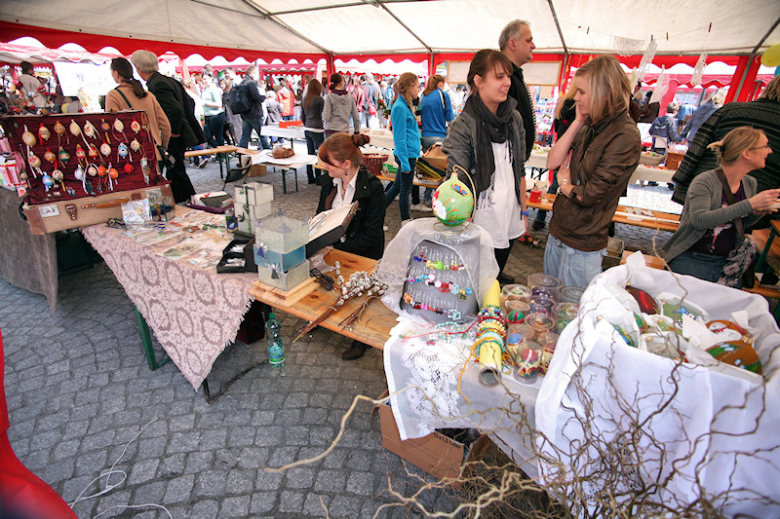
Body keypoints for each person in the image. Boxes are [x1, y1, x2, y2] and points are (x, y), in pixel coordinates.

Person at [543, 55, 641, 289]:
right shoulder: (591, 125)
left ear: (604, 92)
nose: (576, 97)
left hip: (582, 246)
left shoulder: (624, 134)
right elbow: (552, 161)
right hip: (559, 233)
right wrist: (577, 122)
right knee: (548, 305)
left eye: (583, 92)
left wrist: (565, 186)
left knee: (572, 314)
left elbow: (591, 194)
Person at [443, 50, 527, 284]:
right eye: (499, 77)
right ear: (478, 81)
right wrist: (459, 223)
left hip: (509, 213)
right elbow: (457, 180)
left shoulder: (514, 118)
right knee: (474, 280)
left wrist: (524, 209)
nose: (507, 83)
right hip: (479, 217)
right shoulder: (463, 125)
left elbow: (519, 168)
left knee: (495, 272)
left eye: (508, 77)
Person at [662, 127, 778, 287]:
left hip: (727, 264)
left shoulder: (750, 183)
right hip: (692, 258)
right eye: (765, 146)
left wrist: (757, 212)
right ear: (747, 153)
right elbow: (699, 220)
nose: (770, 151)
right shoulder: (705, 181)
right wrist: (750, 204)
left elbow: (739, 223)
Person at [316, 133, 385, 360]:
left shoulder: (372, 188)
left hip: (363, 253)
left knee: (359, 295)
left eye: (328, 163)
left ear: (346, 165)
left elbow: (372, 236)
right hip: (334, 248)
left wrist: (337, 251)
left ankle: (359, 336)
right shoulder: (329, 181)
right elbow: (320, 217)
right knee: (322, 280)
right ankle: (321, 316)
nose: (323, 166)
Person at [672, 75, 780, 217]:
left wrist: (683, 186)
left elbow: (697, 147)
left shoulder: (730, 110)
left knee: (694, 232)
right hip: (759, 197)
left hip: (709, 190)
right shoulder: (730, 110)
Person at [131, 50, 203, 203]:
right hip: (176, 135)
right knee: (175, 172)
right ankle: (185, 203)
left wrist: (174, 132)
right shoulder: (167, 80)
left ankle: (191, 202)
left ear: (139, 68)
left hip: (172, 137)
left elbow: (175, 110)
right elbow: (189, 103)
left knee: (176, 172)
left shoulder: (158, 83)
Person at [104, 57, 171, 165]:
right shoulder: (148, 95)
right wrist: (162, 145)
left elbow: (112, 129)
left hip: (131, 156)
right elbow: (165, 125)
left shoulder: (113, 95)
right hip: (154, 153)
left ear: (116, 73)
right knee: (158, 181)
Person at [533, 85, 577, 231]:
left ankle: (540, 217)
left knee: (554, 186)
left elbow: (557, 126)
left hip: (561, 146)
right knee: (562, 187)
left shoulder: (563, 102)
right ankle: (557, 221)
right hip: (570, 149)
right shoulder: (576, 107)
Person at [384, 72, 422, 225]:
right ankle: (405, 220)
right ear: (409, 87)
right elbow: (399, 138)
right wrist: (405, 163)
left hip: (409, 153)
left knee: (397, 188)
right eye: (417, 86)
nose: (419, 89)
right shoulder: (400, 107)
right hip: (406, 155)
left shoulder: (404, 105)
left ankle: (375, 213)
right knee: (404, 190)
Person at [499, 19, 536, 162]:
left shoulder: (513, 76)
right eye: (528, 41)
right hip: (506, 164)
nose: (533, 46)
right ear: (512, 43)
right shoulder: (504, 77)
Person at [416, 74, 454, 210]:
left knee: (428, 169)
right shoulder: (443, 95)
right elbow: (450, 116)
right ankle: (438, 199)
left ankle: (426, 198)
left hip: (425, 136)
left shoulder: (423, 96)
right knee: (441, 170)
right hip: (440, 137)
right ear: (440, 83)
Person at [237, 66, 267, 150]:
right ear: (252, 74)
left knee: (245, 137)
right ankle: (268, 154)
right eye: (257, 73)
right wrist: (264, 96)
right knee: (262, 136)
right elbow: (256, 97)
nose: (258, 76)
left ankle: (242, 157)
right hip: (254, 113)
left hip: (245, 113)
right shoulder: (250, 83)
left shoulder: (242, 82)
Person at [301, 79, 325, 184]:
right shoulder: (319, 99)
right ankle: (319, 177)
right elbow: (324, 114)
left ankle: (310, 177)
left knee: (309, 153)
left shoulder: (305, 99)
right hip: (317, 128)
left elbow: (302, 116)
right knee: (318, 153)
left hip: (307, 128)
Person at [201, 74, 225, 151]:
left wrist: (206, 103)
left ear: (211, 79)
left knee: (218, 136)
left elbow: (218, 104)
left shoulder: (213, 89)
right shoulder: (205, 89)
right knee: (207, 136)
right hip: (208, 115)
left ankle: (222, 153)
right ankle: (220, 151)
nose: (206, 80)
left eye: (207, 78)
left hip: (216, 115)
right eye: (204, 79)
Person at [221, 77, 242, 146]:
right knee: (235, 135)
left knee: (235, 135)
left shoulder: (226, 95)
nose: (221, 86)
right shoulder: (233, 93)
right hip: (234, 115)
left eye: (222, 84)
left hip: (230, 116)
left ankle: (235, 147)